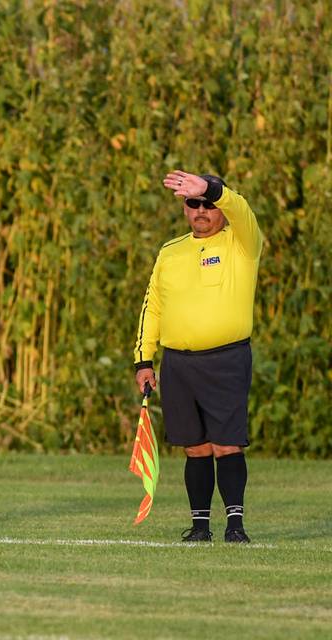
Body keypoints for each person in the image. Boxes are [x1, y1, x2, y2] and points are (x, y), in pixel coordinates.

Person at [134, 171, 264, 543]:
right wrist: (144, 360)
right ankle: (200, 526)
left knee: (227, 443)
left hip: (226, 360)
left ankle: (235, 525)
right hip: (178, 364)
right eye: (194, 203)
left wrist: (214, 190)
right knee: (195, 446)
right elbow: (152, 306)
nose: (202, 210)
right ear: (184, 208)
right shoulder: (170, 252)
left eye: (209, 204)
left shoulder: (242, 241)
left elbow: (240, 208)